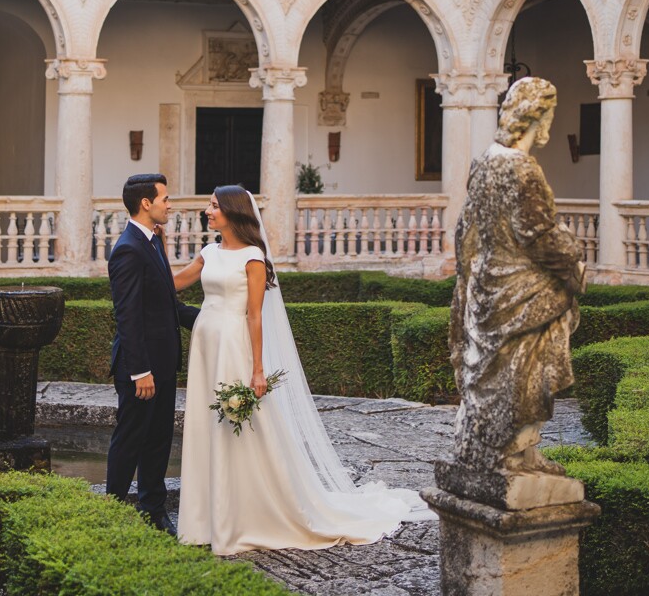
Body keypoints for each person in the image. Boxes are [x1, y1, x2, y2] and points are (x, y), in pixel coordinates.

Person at [174, 184, 431, 555]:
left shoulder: (252, 257)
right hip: (205, 344)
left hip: (234, 345)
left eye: (213, 206)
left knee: (244, 426)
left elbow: (254, 316)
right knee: (207, 423)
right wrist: (135, 271)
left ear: (232, 212)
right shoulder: (209, 252)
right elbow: (176, 282)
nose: (207, 211)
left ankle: (248, 514)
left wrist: (258, 370)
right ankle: (204, 519)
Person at [447, 76, 585, 479]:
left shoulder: (485, 161)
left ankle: (514, 450)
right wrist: (573, 261)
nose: (550, 125)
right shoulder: (522, 169)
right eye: (550, 116)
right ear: (537, 117)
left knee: (500, 371)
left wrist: (468, 281)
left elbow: (465, 230)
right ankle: (513, 451)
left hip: (490, 286)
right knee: (527, 369)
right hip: (522, 291)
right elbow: (539, 235)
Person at [105, 173, 199, 536]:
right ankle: (111, 512)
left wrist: (212, 320)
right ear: (146, 203)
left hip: (163, 364)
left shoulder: (154, 241)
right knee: (130, 437)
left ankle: (153, 510)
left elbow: (167, 305)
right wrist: (140, 371)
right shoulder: (127, 248)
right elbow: (127, 315)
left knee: (159, 437)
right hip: (139, 368)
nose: (169, 204)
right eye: (165, 198)